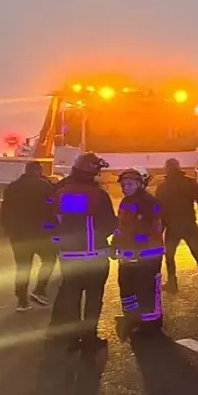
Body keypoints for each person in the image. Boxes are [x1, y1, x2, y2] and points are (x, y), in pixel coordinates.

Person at [48, 152, 118, 354]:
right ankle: (89, 338)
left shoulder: (60, 192)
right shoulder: (99, 195)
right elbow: (109, 224)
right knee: (94, 299)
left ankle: (72, 339)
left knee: (72, 298)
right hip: (95, 256)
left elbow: (53, 221)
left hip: (69, 257)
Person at [111, 167, 165, 341]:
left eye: (129, 184)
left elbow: (150, 227)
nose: (125, 187)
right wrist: (115, 243)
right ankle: (132, 317)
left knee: (146, 289)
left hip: (148, 255)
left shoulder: (149, 202)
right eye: (123, 185)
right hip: (129, 255)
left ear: (140, 183)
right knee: (127, 286)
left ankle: (151, 324)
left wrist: (136, 243)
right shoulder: (126, 202)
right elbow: (122, 227)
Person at [1, 160, 57, 311]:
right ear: (38, 171)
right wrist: (54, 228)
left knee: (22, 267)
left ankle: (22, 301)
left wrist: (7, 229)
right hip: (40, 234)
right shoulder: (44, 186)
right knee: (49, 259)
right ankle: (39, 290)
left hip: (18, 235)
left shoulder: (12, 186)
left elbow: (4, 209)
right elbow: (52, 207)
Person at [155, 158, 198, 295]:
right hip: (189, 224)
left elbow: (158, 209)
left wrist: (159, 229)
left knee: (169, 255)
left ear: (167, 169)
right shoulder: (190, 182)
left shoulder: (162, 187)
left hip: (172, 227)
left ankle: (172, 282)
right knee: (196, 252)